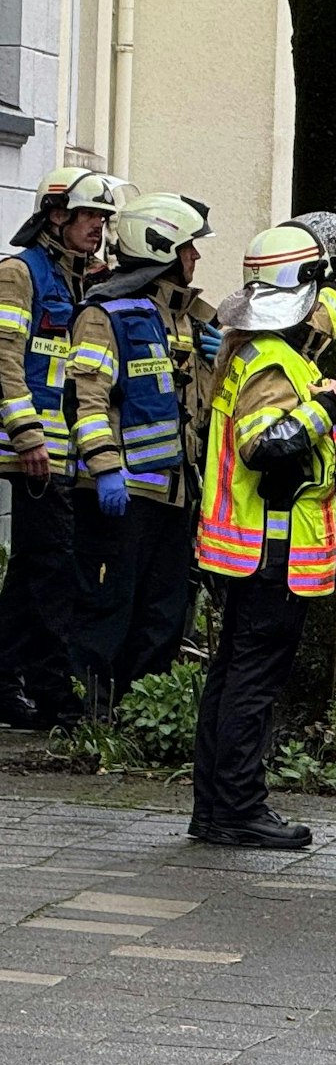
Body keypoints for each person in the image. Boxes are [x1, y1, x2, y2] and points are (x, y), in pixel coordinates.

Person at [190, 224, 336, 849]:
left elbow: (321, 320)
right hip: (274, 551)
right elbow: (263, 446)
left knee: (231, 675)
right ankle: (239, 808)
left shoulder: (251, 344)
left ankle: (214, 808)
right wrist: (324, 410)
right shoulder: (275, 364)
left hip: (242, 548)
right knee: (253, 684)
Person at [67, 192, 218, 708]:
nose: (196, 258)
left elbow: (197, 405)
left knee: (164, 613)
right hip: (122, 495)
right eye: (189, 248)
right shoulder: (105, 315)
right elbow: (87, 398)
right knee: (108, 607)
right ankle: (91, 715)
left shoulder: (186, 317)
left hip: (174, 495)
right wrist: (105, 468)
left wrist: (217, 360)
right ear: (161, 248)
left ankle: (138, 711)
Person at [0, 169, 126, 728]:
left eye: (103, 219)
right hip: (33, 451)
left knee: (36, 569)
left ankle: (9, 681)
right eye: (89, 217)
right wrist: (27, 436)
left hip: (64, 455)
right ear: (57, 215)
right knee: (48, 568)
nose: (98, 227)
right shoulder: (20, 274)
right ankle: (48, 690)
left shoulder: (82, 281)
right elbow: (5, 361)